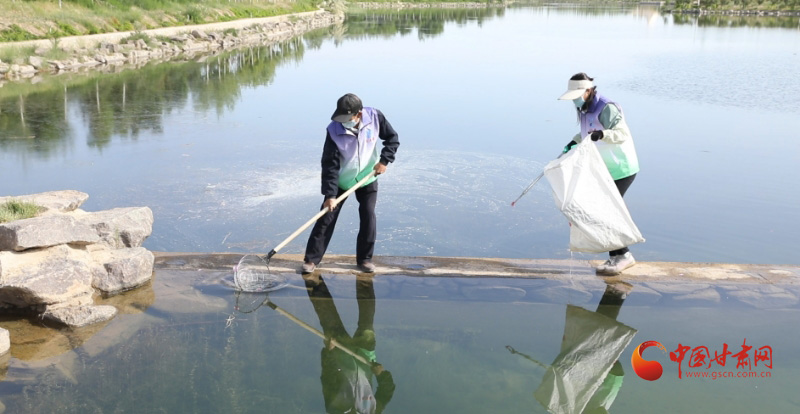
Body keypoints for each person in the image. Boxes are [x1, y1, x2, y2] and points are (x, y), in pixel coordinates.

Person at [302, 93, 400, 274]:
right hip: (341, 180)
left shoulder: (375, 118)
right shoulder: (333, 130)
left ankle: (365, 259)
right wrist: (330, 195)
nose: (343, 121)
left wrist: (384, 161)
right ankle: (311, 259)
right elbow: (329, 164)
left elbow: (392, 139)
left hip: (368, 177)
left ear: (359, 114)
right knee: (326, 217)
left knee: (368, 215)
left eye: (347, 118)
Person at [558, 73, 640, 276]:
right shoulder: (584, 108)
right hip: (602, 170)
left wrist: (602, 134)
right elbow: (586, 133)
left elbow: (622, 134)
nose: (575, 100)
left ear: (588, 90)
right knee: (601, 211)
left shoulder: (607, 107)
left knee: (605, 211)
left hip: (621, 168)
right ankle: (617, 256)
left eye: (577, 94)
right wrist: (573, 142)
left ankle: (623, 256)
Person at [304, 274, 396, 414]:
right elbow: (387, 390)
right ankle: (364, 280)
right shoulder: (373, 412)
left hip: (339, 351)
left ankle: (313, 280)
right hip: (365, 354)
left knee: (328, 316)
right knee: (367, 319)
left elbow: (328, 377)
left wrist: (329, 351)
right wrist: (381, 375)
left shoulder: (335, 410)